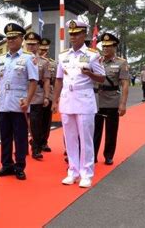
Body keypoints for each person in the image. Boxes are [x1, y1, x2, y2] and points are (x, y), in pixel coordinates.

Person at [52, 19, 105, 188]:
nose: (73, 37)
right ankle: (72, 171)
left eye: (77, 34)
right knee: (70, 139)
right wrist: (55, 99)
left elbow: (102, 78)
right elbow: (59, 79)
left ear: (84, 35)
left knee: (86, 139)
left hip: (84, 100)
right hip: (68, 100)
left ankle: (87, 173)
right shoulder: (63, 56)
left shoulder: (92, 54)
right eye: (71, 34)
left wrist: (90, 73)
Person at [0, 23, 38, 181]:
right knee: (5, 136)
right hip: (4, 103)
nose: (10, 40)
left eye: (14, 38)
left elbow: (33, 81)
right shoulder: (0, 59)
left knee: (20, 137)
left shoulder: (28, 58)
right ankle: (6, 164)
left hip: (20, 104)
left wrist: (28, 100)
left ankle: (19, 166)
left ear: (21, 39)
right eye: (8, 38)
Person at [93, 33, 129, 165]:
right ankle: (93, 155)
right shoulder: (97, 61)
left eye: (108, 46)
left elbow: (125, 84)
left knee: (111, 130)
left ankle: (108, 155)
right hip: (97, 100)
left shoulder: (121, 63)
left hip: (112, 100)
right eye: (103, 46)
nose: (105, 49)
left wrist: (123, 104)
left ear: (115, 47)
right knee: (95, 130)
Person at [24, 32, 50, 160]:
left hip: (37, 95)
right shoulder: (20, 59)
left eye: (33, 44)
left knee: (36, 124)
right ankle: (22, 147)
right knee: (22, 123)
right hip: (22, 94)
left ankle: (36, 149)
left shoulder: (44, 62)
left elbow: (46, 80)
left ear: (38, 45)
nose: (30, 46)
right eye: (28, 44)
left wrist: (46, 96)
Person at [39, 38, 55, 152]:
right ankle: (35, 140)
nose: (44, 51)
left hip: (48, 93)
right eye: (41, 49)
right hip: (35, 93)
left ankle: (44, 141)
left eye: (46, 49)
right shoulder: (33, 61)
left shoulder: (53, 63)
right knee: (34, 120)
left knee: (46, 120)